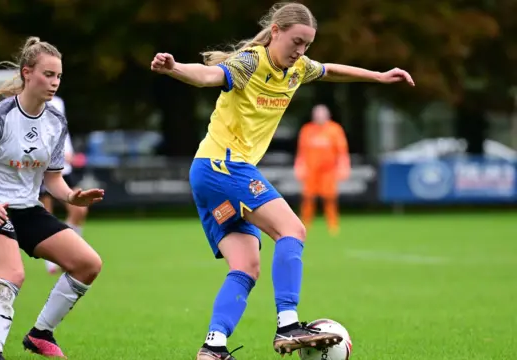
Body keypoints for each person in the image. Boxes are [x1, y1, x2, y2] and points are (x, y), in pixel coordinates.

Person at [150, 2, 414, 359]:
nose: (301, 51)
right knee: (293, 229)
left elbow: (331, 70)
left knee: (246, 267)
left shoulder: (297, 68)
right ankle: (288, 323)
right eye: (296, 41)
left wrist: (379, 76)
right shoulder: (250, 62)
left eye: (307, 44)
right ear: (275, 31)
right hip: (224, 166)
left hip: (209, 171)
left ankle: (213, 347)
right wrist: (176, 69)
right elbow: (209, 75)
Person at [0, 36, 105, 360]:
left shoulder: (56, 121)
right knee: (12, 275)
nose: (54, 82)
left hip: (27, 207)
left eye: (58, 76)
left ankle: (40, 334)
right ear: (27, 73)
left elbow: (52, 178)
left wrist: (72, 196)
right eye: (48, 74)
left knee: (88, 264)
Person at [38, 95, 88, 275]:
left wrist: (69, 154)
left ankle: (70, 252)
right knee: (46, 216)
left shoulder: (58, 102)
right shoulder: (29, 101)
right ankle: (51, 261)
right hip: (41, 168)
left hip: (63, 168)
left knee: (80, 210)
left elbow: (62, 132)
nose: (53, 81)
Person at [294, 104, 350, 236]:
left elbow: (342, 151)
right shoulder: (306, 130)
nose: (319, 117)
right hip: (311, 170)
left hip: (328, 171)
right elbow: (301, 152)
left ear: (327, 116)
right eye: (316, 114)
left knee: (330, 198)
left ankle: (333, 225)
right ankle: (305, 225)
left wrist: (344, 166)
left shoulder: (335, 130)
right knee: (308, 198)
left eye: (321, 114)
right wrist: (299, 166)